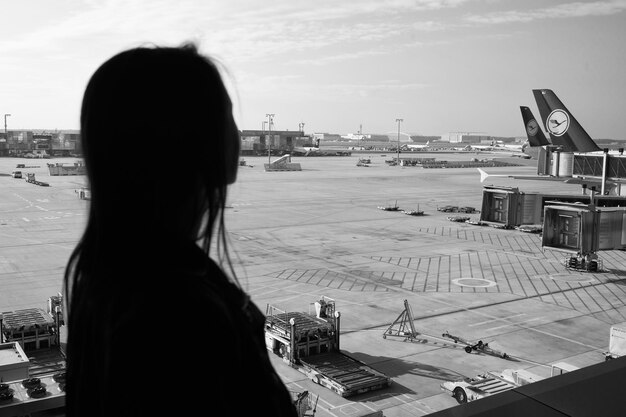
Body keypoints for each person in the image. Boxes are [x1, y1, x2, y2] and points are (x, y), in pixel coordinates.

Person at [63, 43, 298, 416]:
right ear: (190, 142)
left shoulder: (107, 274)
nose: (238, 135)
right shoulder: (179, 313)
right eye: (228, 116)